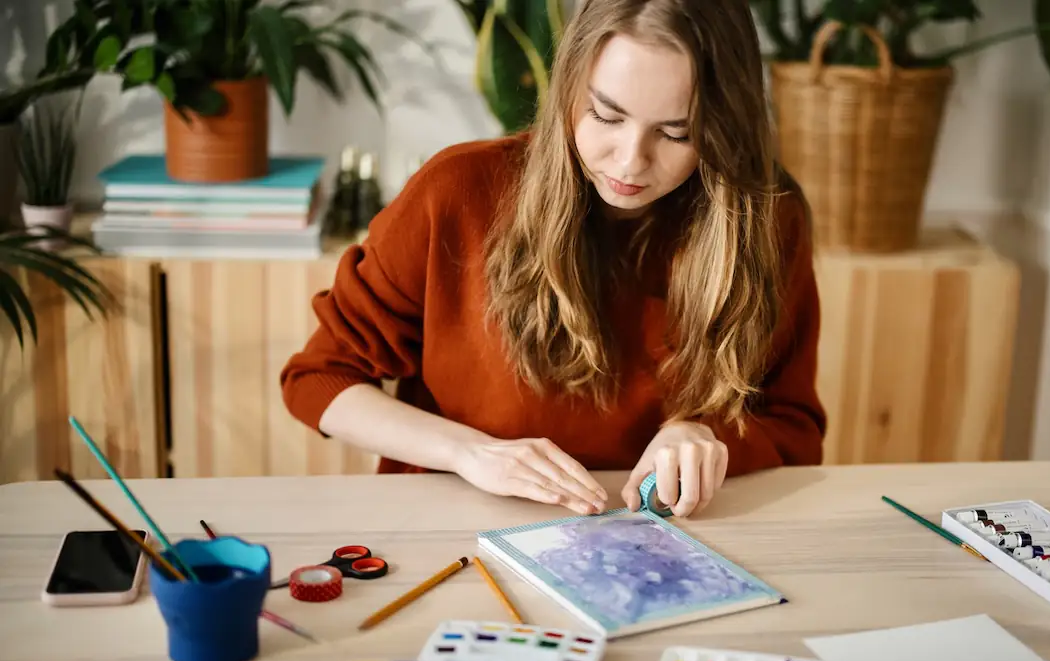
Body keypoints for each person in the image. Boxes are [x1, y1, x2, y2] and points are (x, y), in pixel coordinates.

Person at [279, 0, 827, 519]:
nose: (631, 161)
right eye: (606, 115)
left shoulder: (768, 221)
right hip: (452, 533)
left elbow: (792, 424)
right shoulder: (456, 194)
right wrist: (471, 454)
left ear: (724, 125)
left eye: (676, 133)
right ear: (568, 87)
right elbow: (320, 379)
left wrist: (708, 436)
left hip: (657, 542)